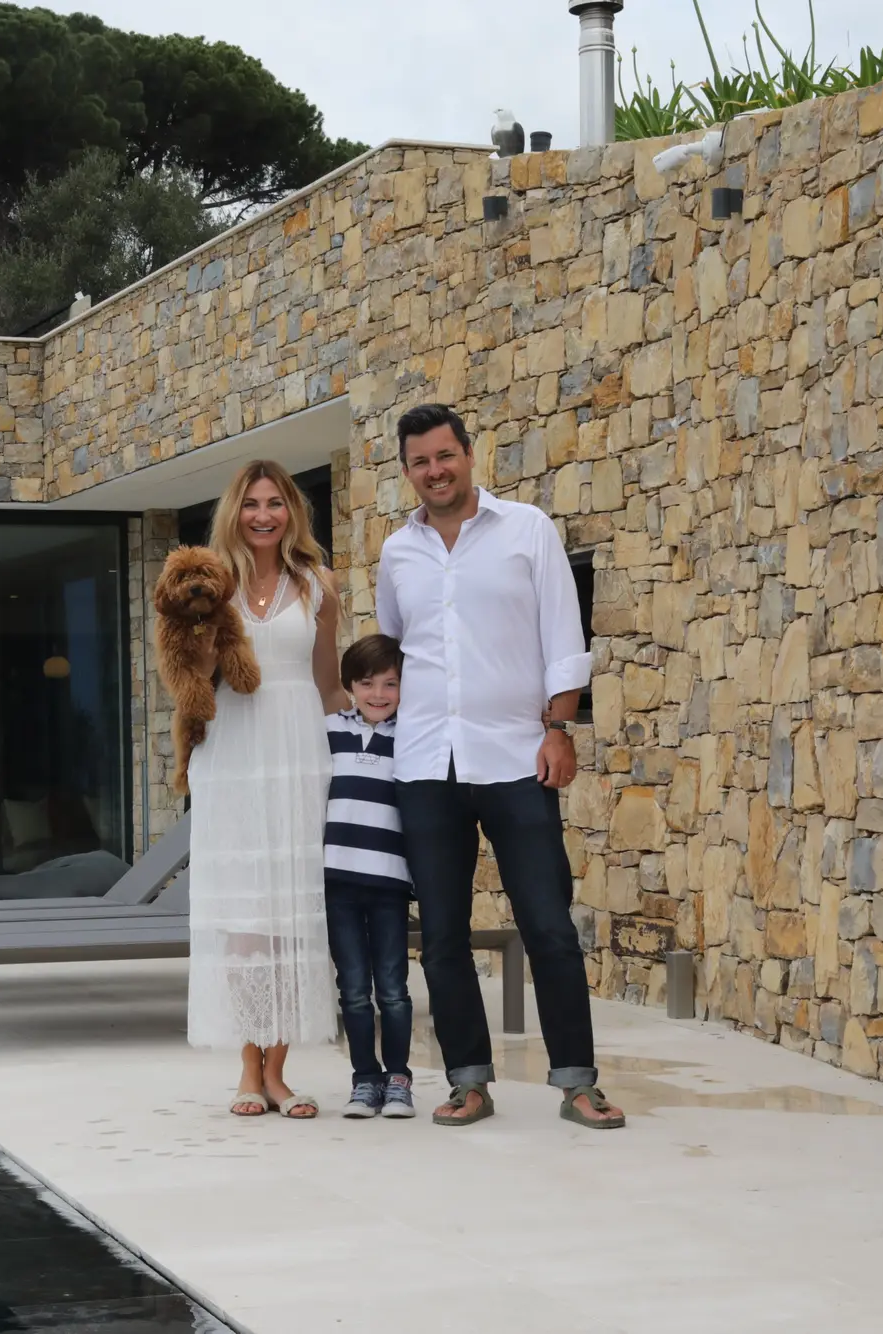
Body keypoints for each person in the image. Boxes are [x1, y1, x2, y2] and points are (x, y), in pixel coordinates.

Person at [376, 403, 626, 1130]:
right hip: (425, 763)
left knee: (547, 923)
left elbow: (564, 635)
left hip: (517, 756)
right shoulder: (398, 554)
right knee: (444, 935)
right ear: (407, 470)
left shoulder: (527, 531)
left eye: (445, 455)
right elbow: (395, 654)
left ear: (468, 454)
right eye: (420, 461)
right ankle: (469, 1083)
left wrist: (558, 727)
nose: (435, 471)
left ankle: (578, 1082)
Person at [184, 459, 343, 1119]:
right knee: (244, 925)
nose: (263, 515)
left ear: (292, 512)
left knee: (291, 922)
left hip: (301, 754)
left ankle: (279, 1072)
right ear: (234, 511)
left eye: (275, 503)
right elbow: (185, 671)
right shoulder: (209, 586)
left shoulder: (318, 585)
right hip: (234, 756)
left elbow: (329, 682)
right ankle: (247, 1069)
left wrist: (364, 749)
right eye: (251, 503)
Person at [323, 634, 416, 1119]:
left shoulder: (412, 736)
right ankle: (365, 1079)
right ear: (349, 686)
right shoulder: (328, 731)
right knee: (354, 990)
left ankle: (398, 1078)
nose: (378, 693)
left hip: (389, 882)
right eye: (367, 683)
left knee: (394, 988)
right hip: (337, 880)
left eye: (390, 683)